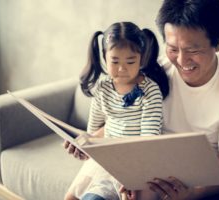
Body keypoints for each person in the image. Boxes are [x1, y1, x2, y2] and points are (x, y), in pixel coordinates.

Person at [146, 0, 219, 199]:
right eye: (172, 49)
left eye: (193, 51)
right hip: (148, 174)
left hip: (193, 185)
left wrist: (190, 194)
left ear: (217, 43)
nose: (181, 61)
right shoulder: (156, 72)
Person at [64, 21, 169, 200]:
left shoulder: (150, 91)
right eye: (114, 61)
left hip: (140, 161)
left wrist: (132, 176)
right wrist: (84, 144)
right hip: (108, 157)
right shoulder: (103, 87)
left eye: (130, 61)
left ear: (141, 59)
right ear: (105, 57)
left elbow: (148, 143)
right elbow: (94, 131)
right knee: (71, 197)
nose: (122, 69)